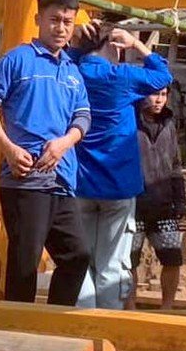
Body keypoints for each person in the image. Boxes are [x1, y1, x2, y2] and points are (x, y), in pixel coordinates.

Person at [0, 0, 93, 304]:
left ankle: (51, 326)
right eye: (54, 20)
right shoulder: (18, 60)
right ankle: (15, 336)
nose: (61, 28)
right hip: (24, 180)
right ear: (39, 19)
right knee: (25, 263)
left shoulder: (72, 71)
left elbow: (83, 118)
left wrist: (65, 143)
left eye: (68, 22)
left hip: (62, 179)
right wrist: (8, 148)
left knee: (77, 255)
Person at [66, 21, 174, 310]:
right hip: (119, 184)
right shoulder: (122, 76)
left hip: (81, 182)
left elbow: (66, 61)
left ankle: (82, 322)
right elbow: (163, 75)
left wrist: (76, 45)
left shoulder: (74, 72)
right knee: (112, 265)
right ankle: (105, 333)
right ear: (114, 45)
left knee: (81, 259)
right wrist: (137, 45)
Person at [131, 86, 186, 308]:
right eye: (154, 94)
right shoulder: (130, 122)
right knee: (129, 261)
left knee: (173, 258)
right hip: (134, 203)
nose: (159, 100)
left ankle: (168, 307)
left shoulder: (169, 124)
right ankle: (130, 307)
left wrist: (180, 199)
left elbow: (176, 164)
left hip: (164, 204)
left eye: (163, 95)